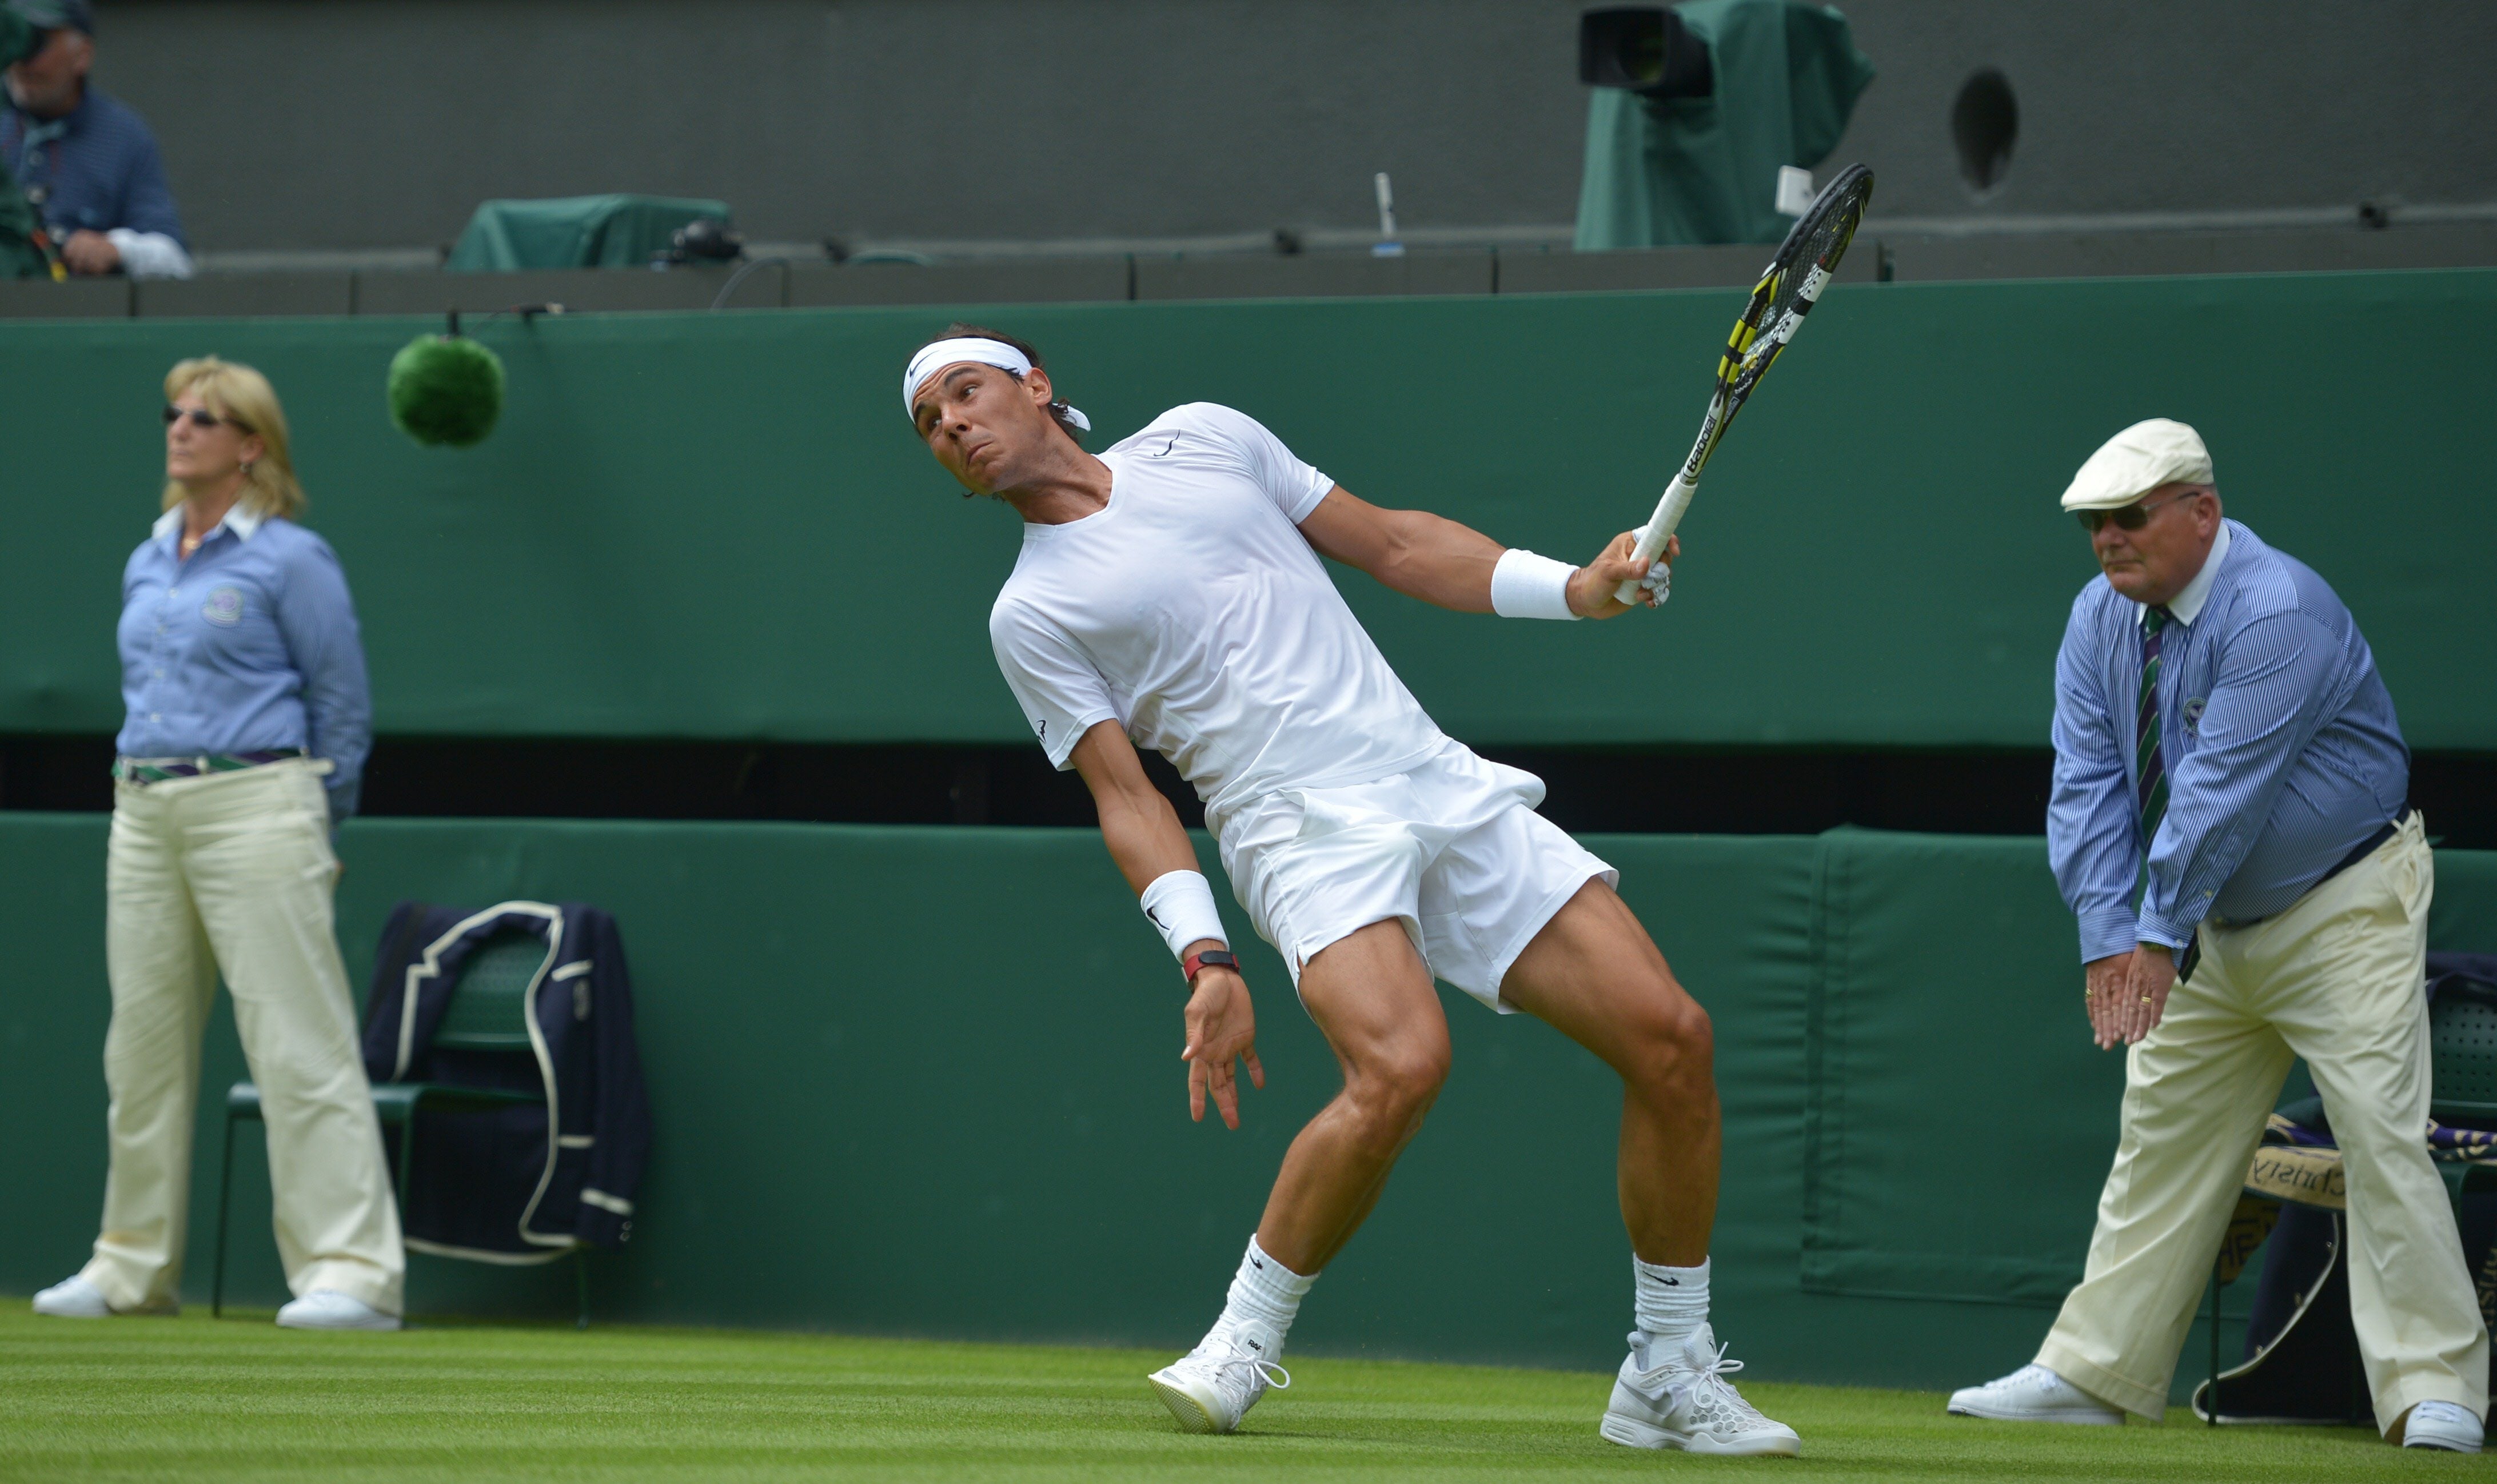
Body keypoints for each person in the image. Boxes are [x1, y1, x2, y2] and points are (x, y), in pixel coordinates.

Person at [905, 325, 1798, 1455]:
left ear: (1035, 385)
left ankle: (1668, 1366)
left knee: (1673, 1039)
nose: (955, 428)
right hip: (1292, 822)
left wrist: (1575, 589)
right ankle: (1239, 1339)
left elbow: (1393, 543)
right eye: (933, 425)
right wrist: (1205, 956)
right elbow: (1126, 796)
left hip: (1429, 776)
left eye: (967, 394)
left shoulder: (1206, 438)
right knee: (1402, 1064)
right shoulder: (1029, 614)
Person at [1945, 419, 2488, 1451]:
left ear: (2201, 511)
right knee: (2157, 1137)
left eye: (2130, 517)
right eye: (2093, 524)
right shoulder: (2093, 619)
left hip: (2343, 907)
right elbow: (2088, 786)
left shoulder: (2276, 607)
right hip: (2196, 921)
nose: (2108, 540)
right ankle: (2092, 1369)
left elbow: (2216, 799)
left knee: (2379, 1132)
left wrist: (2150, 933)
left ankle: (2434, 1389)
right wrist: (2110, 934)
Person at [30, 356, 401, 1331]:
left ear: (251, 445)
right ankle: (129, 1267)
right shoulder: (145, 557)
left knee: (297, 1047)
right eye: (175, 412)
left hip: (259, 803)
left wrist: (323, 819)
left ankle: (352, 1273)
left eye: (208, 416)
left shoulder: (291, 557)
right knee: (140, 1053)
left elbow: (341, 702)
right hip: (144, 811)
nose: (181, 427)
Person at [1, 0, 190, 279]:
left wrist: (117, 249)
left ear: (82, 55)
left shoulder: (123, 137)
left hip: (73, 313)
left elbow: (176, 259)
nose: (21, 61)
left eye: (36, 43)